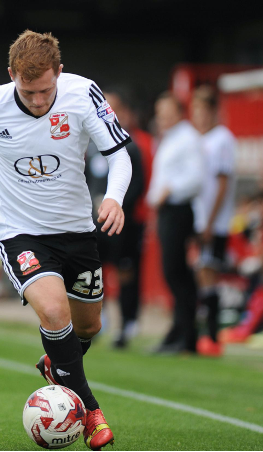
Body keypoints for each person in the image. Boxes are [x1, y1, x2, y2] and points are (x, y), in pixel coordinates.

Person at [0, 30, 133, 451]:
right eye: (28, 90)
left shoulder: (82, 93)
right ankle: (89, 411)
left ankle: (58, 366)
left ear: (59, 72)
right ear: (11, 75)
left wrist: (113, 197)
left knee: (88, 326)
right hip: (19, 232)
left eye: (45, 90)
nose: (37, 100)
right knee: (55, 313)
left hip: (76, 231)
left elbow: (118, 155)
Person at [84, 88, 147, 349]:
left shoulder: (129, 148)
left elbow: (137, 185)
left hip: (123, 224)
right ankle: (99, 323)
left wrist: (114, 203)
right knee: (94, 275)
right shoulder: (90, 147)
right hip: (95, 224)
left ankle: (128, 325)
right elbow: (85, 181)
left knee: (125, 273)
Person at [147, 92, 203, 354]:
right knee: (172, 272)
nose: (162, 117)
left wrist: (169, 190)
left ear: (179, 112)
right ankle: (180, 330)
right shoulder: (170, 138)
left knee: (176, 272)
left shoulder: (188, 137)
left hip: (178, 209)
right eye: (160, 112)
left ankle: (186, 333)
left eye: (167, 112)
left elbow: (195, 178)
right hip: (167, 210)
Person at [190, 85, 238, 357]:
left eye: (204, 110)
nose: (200, 116)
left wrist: (209, 222)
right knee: (201, 273)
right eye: (196, 110)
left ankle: (213, 336)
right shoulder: (199, 140)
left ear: (213, 112)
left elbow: (222, 183)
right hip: (199, 220)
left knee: (210, 273)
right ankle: (205, 334)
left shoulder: (222, 139)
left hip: (214, 222)